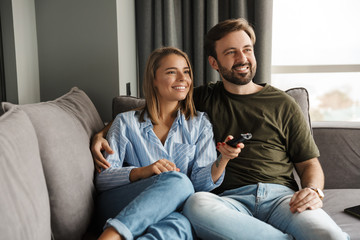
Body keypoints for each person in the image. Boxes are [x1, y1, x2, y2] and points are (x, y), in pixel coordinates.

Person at [92, 19, 349, 239]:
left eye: (247, 49)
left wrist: (313, 190)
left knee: (330, 236)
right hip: (227, 202)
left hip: (281, 198)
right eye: (231, 53)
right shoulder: (201, 99)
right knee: (195, 202)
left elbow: (309, 164)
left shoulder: (284, 104)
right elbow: (154, 106)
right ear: (214, 63)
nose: (242, 59)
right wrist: (103, 130)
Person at [95, 46, 241, 240]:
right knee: (179, 181)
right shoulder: (125, 122)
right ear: (153, 80)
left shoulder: (199, 124)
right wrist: (143, 171)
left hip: (174, 209)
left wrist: (223, 159)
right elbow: (103, 179)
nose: (183, 78)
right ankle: (112, 235)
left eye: (186, 72)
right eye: (172, 72)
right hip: (121, 204)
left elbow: (200, 185)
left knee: (180, 224)